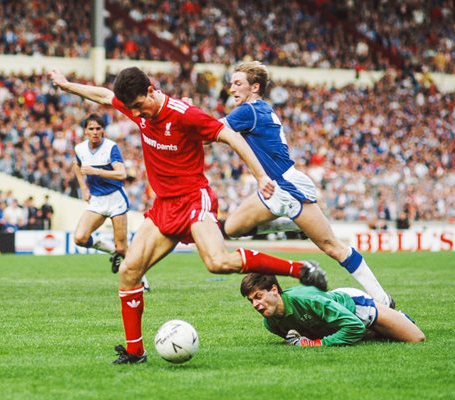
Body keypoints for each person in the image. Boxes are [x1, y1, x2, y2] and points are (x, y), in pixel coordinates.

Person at [49, 66, 327, 364]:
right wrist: (66, 86)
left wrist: (260, 176)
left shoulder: (185, 115)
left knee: (217, 263)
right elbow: (104, 95)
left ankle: (299, 269)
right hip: (164, 206)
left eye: (140, 106)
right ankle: (134, 353)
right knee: (129, 272)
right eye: (132, 109)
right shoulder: (137, 109)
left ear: (151, 89)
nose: (138, 114)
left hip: (195, 199)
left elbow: (232, 137)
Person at [220, 61, 392, 307]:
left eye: (238, 83)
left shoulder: (250, 111)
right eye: (231, 83)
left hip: (286, 186)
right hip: (271, 187)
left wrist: (185, 114)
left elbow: (211, 133)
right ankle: (292, 226)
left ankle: (383, 299)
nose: (232, 88)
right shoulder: (259, 109)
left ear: (255, 87)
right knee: (234, 228)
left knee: (332, 247)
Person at [72, 113, 149, 289]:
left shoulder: (111, 147)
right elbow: (77, 166)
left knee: (123, 248)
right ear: (85, 131)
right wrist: (84, 189)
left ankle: (143, 280)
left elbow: (122, 174)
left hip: (115, 200)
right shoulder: (80, 149)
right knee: (80, 238)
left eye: (98, 128)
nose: (95, 132)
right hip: (97, 201)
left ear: (103, 131)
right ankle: (112, 251)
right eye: (91, 128)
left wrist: (96, 172)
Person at [240, 273, 425, 346]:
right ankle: (384, 318)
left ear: (274, 290)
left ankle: (386, 307)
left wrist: (317, 344)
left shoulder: (307, 299)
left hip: (352, 305)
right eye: (251, 301)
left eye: (258, 297)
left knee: (415, 338)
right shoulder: (270, 322)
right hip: (332, 314)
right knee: (371, 336)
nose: (256, 305)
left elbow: (353, 327)